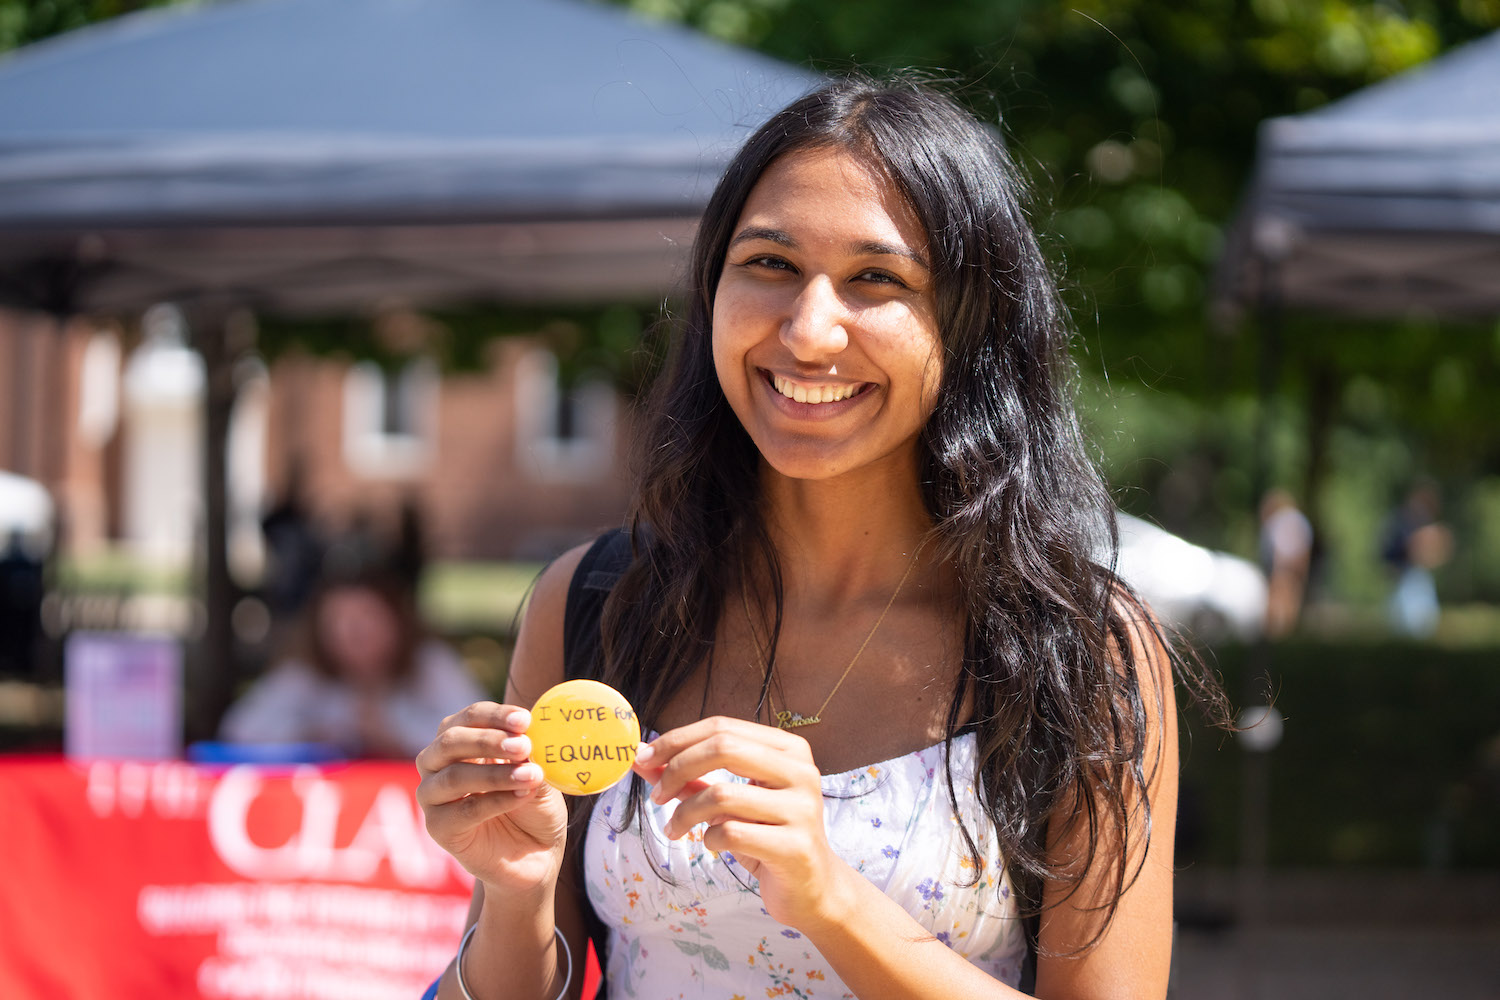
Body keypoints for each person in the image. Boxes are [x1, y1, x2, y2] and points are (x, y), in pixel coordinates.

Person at [416, 77, 1224, 1000]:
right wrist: (513, 893)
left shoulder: (1082, 651)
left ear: (970, 325)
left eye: (878, 278)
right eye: (769, 264)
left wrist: (829, 896)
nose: (809, 330)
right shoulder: (594, 601)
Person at [221, 569, 484, 758]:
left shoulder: (431, 664)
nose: (354, 632)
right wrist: (309, 735)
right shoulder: (303, 674)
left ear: (396, 621)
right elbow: (239, 732)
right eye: (338, 621)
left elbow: (479, 737)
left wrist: (394, 737)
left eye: (366, 617)